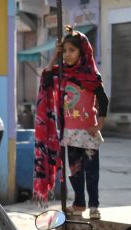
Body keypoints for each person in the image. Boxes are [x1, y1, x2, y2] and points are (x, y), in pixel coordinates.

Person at [34, 29, 107, 219]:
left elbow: (103, 100)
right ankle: (79, 203)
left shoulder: (92, 76)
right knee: (75, 173)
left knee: (92, 173)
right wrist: (54, 56)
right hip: (71, 134)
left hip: (89, 135)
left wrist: (99, 124)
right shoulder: (62, 74)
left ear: (83, 52)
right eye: (64, 50)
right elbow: (46, 78)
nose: (67, 54)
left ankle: (94, 206)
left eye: (72, 50)